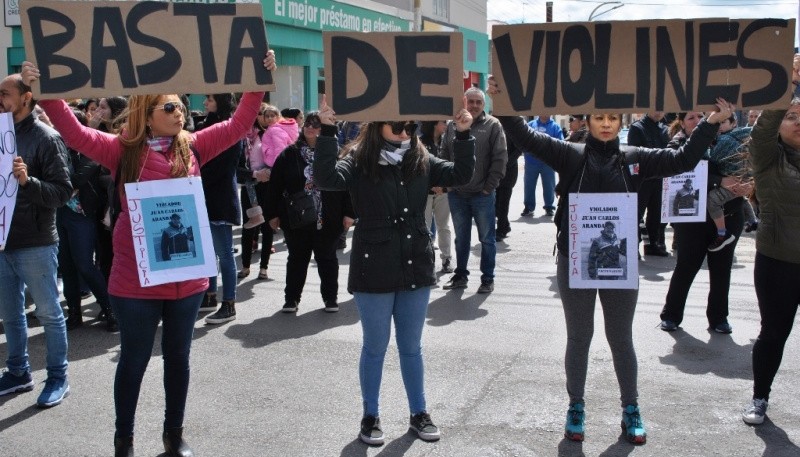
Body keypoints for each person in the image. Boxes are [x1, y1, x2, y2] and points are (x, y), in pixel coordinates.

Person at [23, 52, 276, 457]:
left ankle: (173, 435)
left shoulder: (193, 145)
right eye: (172, 107)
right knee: (134, 361)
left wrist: (258, 81)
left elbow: (240, 124)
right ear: (147, 111)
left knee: (179, 358)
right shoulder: (120, 151)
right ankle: (124, 440)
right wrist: (46, 91)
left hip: (186, 277)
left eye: (182, 106)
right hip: (135, 279)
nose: (181, 114)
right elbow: (72, 132)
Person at [488, 74, 733, 445]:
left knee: (620, 338)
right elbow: (525, 137)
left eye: (612, 119)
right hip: (575, 261)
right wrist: (503, 104)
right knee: (580, 337)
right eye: (598, 118)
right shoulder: (569, 154)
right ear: (586, 122)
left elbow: (683, 159)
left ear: (621, 123)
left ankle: (630, 408)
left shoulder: (636, 158)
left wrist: (710, 124)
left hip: (621, 266)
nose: (605, 124)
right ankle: (576, 406)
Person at [313, 98, 475, 446]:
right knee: (375, 346)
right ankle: (370, 416)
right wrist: (327, 130)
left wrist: (464, 134)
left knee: (411, 347)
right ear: (377, 126)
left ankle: (419, 413)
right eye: (398, 127)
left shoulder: (421, 158)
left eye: (411, 127)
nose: (405, 133)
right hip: (374, 265)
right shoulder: (359, 161)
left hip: (416, 261)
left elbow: (461, 174)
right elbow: (326, 177)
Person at [0, 72, 73, 408]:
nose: (0, 99)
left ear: (26, 97)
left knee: (48, 313)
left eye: (5, 93)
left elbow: (62, 192)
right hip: (3, 241)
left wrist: (28, 182)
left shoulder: (47, 138)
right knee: (11, 314)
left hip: (36, 241)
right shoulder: (2, 134)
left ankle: (58, 376)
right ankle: (18, 372)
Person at [741, 57, 800, 425]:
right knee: (773, 333)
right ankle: (759, 398)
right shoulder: (767, 158)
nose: (799, 122)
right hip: (778, 261)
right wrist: (787, 87)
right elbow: (762, 131)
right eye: (792, 117)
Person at [660, 112, 753, 335]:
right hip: (693, 219)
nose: (698, 121)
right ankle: (671, 315)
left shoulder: (730, 139)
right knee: (686, 267)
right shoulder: (679, 143)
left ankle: (719, 318)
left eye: (702, 116)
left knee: (722, 269)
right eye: (691, 118)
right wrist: (719, 180)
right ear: (681, 123)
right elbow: (680, 168)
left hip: (729, 216)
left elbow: (750, 167)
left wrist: (750, 185)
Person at [266, 111, 354, 313]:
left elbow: (349, 186)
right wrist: (272, 214)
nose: (310, 127)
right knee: (297, 258)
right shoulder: (289, 154)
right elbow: (275, 186)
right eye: (307, 123)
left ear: (325, 129)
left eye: (316, 124)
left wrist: (349, 212)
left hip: (329, 216)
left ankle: (330, 299)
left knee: (327, 258)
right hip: (297, 217)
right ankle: (291, 299)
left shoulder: (337, 153)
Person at [440, 87, 507, 294]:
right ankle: (460, 275)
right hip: (457, 195)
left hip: (482, 195)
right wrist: (448, 184)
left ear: (484, 104)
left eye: (479, 102)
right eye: (471, 102)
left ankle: (487, 278)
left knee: (487, 239)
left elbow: (500, 158)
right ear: (464, 103)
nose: (475, 105)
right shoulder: (453, 126)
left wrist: (489, 188)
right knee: (461, 238)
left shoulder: (493, 125)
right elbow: (444, 155)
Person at [58, 108, 117, 332]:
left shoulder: (90, 152)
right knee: (66, 265)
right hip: (59, 214)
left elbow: (72, 181)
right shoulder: (56, 148)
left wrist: (57, 184)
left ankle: (110, 309)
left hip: (82, 215)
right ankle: (74, 313)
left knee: (84, 264)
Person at [197, 93, 243, 324]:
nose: (205, 103)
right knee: (206, 252)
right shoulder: (201, 127)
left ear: (222, 103)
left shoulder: (232, 130)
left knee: (224, 253)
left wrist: (195, 179)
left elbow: (225, 168)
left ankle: (229, 304)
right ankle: (209, 296)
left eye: (210, 99)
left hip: (220, 198)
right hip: (201, 197)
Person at [238, 102, 275, 280]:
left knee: (268, 227)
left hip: (269, 186)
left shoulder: (273, 134)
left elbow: (281, 159)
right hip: (249, 186)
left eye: (267, 114)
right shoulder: (242, 137)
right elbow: (236, 170)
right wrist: (254, 174)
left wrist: (269, 173)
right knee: (249, 226)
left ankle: (264, 267)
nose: (264, 117)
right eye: (260, 114)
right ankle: (245, 266)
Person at [705, 117, 753, 252]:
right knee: (742, 198)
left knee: (713, 200)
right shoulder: (742, 134)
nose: (719, 126)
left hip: (735, 183)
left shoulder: (724, 140)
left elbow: (712, 158)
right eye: (717, 122)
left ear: (733, 123)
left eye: (723, 122)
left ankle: (722, 233)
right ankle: (753, 220)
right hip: (741, 181)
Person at [627, 112, 671, 257]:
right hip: (643, 179)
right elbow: (632, 155)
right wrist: (634, 179)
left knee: (657, 214)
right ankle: (633, 246)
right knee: (636, 214)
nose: (659, 112)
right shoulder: (637, 128)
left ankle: (653, 244)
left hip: (660, 178)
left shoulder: (665, 129)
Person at [420, 120, 454, 270]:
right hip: (424, 193)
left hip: (443, 192)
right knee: (424, 227)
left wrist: (445, 186)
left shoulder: (448, 142)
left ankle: (446, 259)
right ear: (434, 124)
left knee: (444, 226)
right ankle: (427, 260)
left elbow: (451, 165)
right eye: (442, 122)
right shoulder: (420, 142)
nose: (446, 125)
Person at [521, 114, 562, 217]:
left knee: (549, 186)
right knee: (529, 186)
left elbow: (561, 142)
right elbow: (523, 139)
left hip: (548, 163)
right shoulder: (530, 124)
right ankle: (529, 207)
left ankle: (549, 207)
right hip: (531, 162)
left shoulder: (555, 126)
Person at [495, 126, 522, 242]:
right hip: (494, 172)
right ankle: (505, 225)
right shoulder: (493, 128)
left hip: (508, 172)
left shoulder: (513, 129)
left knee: (503, 203)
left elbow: (519, 149)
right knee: (495, 204)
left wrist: (506, 162)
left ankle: (501, 229)